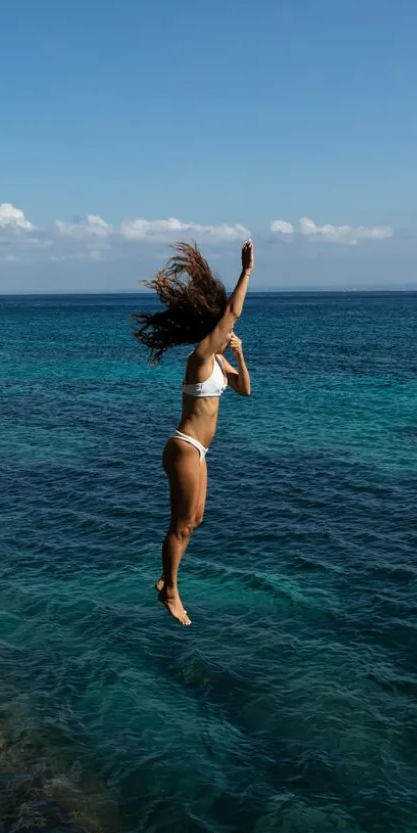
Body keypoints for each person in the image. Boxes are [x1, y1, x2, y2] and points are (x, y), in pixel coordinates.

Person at [133, 239, 254, 625]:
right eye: (223, 328)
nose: (228, 329)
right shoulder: (199, 357)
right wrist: (246, 272)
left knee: (195, 520)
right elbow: (233, 312)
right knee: (181, 524)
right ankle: (169, 590)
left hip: (199, 451)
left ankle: (166, 580)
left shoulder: (217, 360)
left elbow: (244, 389)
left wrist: (238, 354)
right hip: (184, 447)